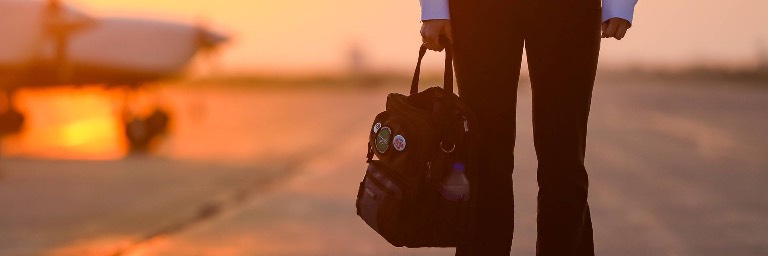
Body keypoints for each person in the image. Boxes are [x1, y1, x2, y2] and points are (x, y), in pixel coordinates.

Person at [418, 0, 637, 255]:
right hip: (479, 9)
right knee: (484, 157)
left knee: (564, 158)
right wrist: (434, 7)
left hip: (567, 8)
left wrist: (620, 3)